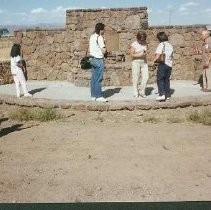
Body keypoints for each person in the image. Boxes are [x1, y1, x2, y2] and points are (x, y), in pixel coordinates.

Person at [89, 23, 108, 102]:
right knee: (99, 78)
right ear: (101, 30)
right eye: (103, 29)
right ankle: (99, 96)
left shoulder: (92, 36)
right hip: (98, 59)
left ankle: (93, 95)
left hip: (92, 59)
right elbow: (103, 50)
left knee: (94, 78)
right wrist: (105, 44)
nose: (104, 31)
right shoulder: (99, 37)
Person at [153, 32, 173, 101]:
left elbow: (158, 54)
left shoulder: (161, 44)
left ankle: (162, 94)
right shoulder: (170, 45)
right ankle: (167, 95)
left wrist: (154, 61)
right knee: (166, 80)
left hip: (163, 64)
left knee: (160, 79)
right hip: (169, 64)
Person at [130, 31, 149, 98]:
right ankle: (135, 92)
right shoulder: (134, 44)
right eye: (141, 39)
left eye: (143, 39)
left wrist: (145, 53)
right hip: (136, 62)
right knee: (136, 77)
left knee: (146, 77)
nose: (142, 40)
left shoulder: (145, 43)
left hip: (144, 62)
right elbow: (132, 54)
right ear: (138, 38)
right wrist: (139, 55)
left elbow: (146, 50)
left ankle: (142, 91)